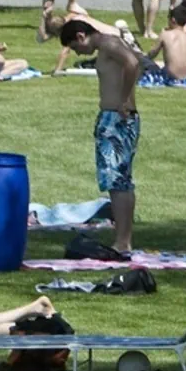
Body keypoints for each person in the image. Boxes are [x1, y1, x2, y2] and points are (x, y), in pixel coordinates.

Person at [61, 20, 142, 254]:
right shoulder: (109, 45)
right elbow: (136, 63)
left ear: (81, 35)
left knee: (117, 182)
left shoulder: (108, 43)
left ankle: (123, 241)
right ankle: (123, 239)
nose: (78, 52)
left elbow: (133, 63)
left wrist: (125, 98)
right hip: (115, 119)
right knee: (121, 182)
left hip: (116, 119)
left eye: (76, 47)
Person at [146, 2, 186, 84]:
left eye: (168, 18)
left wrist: (146, 55)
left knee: (149, 65)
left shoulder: (165, 34)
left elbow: (152, 55)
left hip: (169, 77)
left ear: (173, 20)